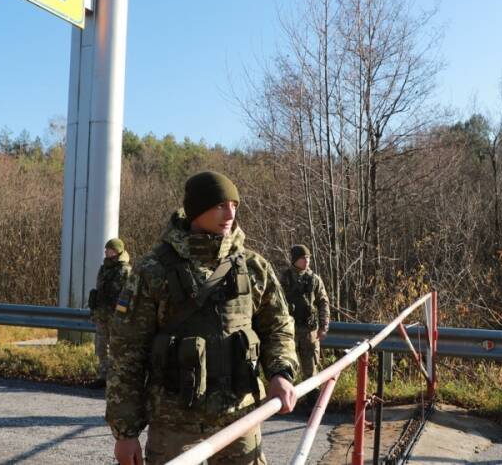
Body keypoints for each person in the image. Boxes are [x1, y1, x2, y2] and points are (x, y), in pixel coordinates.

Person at [106, 171, 299, 465]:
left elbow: (279, 327)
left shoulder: (253, 266)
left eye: (234, 205)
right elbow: (127, 353)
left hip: (239, 417)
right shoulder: (153, 269)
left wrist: (281, 372)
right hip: (174, 424)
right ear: (197, 210)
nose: (230, 213)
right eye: (221, 205)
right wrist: (126, 432)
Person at [280, 245, 329, 383]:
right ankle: (289, 401)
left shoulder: (314, 279)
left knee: (311, 371)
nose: (307, 260)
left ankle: (313, 402)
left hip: (309, 332)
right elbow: (275, 304)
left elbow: (323, 303)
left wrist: (323, 326)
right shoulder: (284, 279)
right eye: (303, 257)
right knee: (287, 370)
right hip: (290, 331)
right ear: (295, 259)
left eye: (308, 257)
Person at [88, 237, 131, 388]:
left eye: (109, 249)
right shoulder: (104, 268)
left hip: (115, 316)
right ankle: (102, 377)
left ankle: (115, 379)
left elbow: (128, 295)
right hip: (101, 314)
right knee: (101, 347)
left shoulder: (125, 270)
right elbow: (100, 290)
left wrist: (121, 315)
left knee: (116, 348)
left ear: (117, 251)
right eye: (106, 249)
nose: (106, 251)